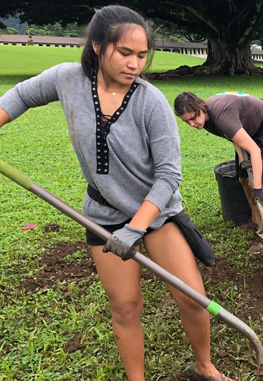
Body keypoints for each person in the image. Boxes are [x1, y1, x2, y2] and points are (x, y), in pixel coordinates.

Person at [0, 6, 229, 381]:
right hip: (104, 215)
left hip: (156, 213)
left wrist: (136, 228)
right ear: (96, 46)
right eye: (125, 53)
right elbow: (20, 96)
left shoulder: (150, 101)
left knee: (192, 297)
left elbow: (170, 175)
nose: (135, 64)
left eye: (141, 55)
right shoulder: (67, 80)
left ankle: (203, 367)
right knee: (124, 307)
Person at [174, 91, 263, 252]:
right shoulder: (206, 118)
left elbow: (254, 150)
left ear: (201, 107)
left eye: (192, 118)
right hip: (250, 129)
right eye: (186, 121)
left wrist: (258, 189)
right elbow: (233, 135)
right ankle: (254, 218)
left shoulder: (221, 117)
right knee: (243, 179)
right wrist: (243, 160)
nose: (191, 124)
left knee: (259, 186)